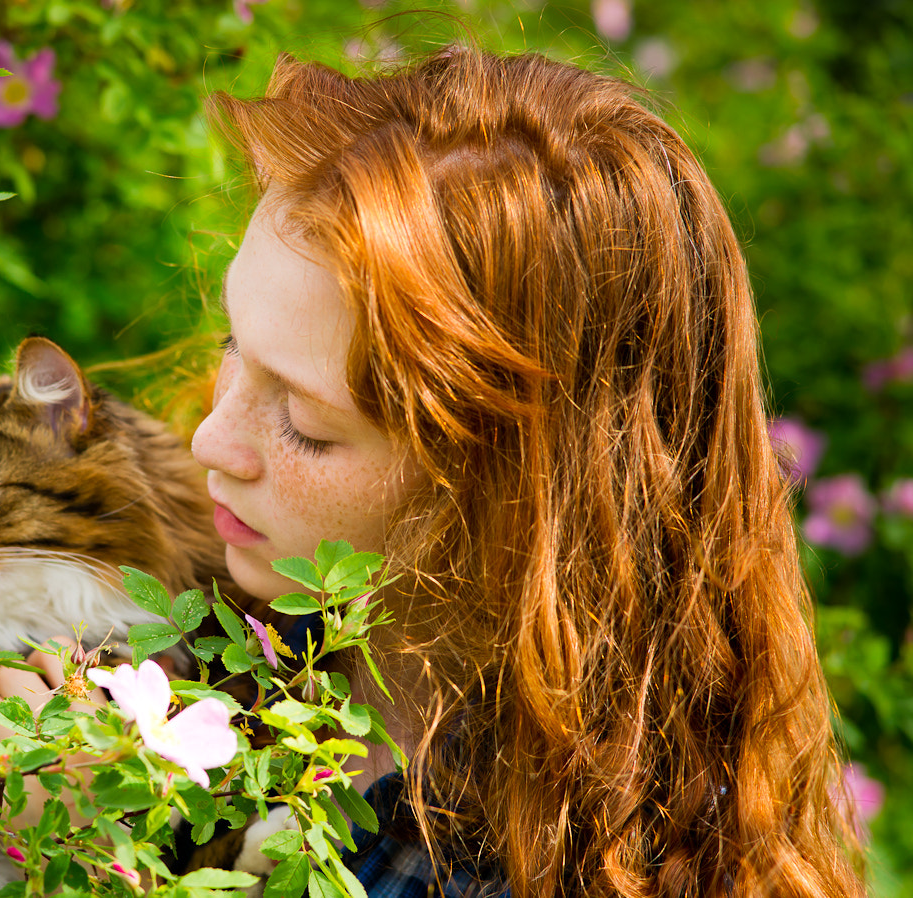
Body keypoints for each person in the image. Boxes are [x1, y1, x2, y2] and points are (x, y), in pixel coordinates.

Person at [185, 45, 865, 898]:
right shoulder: (180, 613)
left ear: (507, 493)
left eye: (307, 425)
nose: (211, 439)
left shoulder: (565, 868)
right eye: (230, 346)